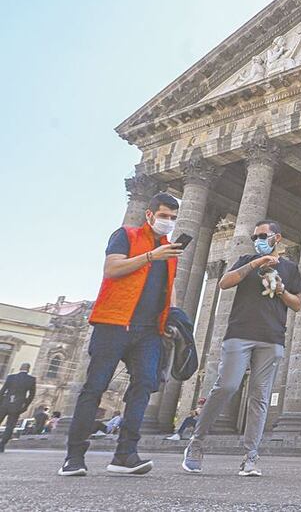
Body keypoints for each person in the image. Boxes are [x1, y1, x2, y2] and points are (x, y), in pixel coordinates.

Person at [59, 193, 184, 477]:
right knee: (95, 388)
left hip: (149, 330)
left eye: (173, 218)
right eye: (164, 216)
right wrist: (151, 256)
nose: (169, 222)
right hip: (114, 323)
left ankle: (125, 454)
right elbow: (112, 269)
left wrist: (172, 317)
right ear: (150, 214)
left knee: (144, 387)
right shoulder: (125, 235)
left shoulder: (169, 249)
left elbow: (170, 287)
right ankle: (74, 456)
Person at [183, 219, 301, 477]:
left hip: (272, 337)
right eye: (255, 237)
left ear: (277, 238)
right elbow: (224, 283)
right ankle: (197, 442)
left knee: (259, 398)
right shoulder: (245, 260)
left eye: (263, 235)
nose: (258, 240)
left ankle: (251, 457)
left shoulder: (290, 268)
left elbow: (296, 304)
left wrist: (282, 289)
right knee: (226, 386)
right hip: (240, 334)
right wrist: (254, 263)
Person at [0, 363, 36, 452]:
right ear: (28, 369)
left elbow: (3, 390)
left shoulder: (11, 377)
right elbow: (31, 395)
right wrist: (25, 405)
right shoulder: (31, 379)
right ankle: (2, 444)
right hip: (17, 405)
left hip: (5, 403)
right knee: (10, 425)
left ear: (20, 368)